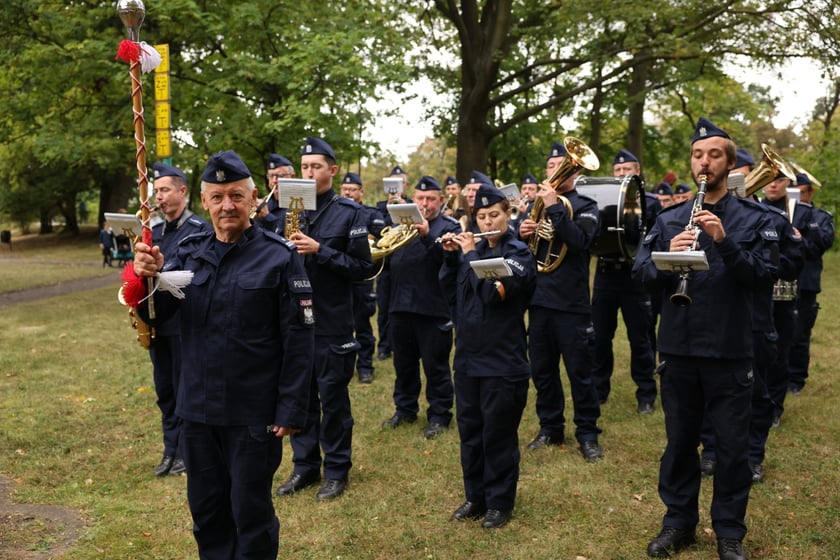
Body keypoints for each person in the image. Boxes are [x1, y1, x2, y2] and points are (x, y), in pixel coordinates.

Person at [132, 149, 315, 559]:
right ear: (204, 201)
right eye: (217, 197)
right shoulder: (188, 252)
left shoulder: (279, 256)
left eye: (236, 196)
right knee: (207, 513)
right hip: (197, 410)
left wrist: (290, 408)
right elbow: (156, 315)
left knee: (250, 514)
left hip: (252, 414)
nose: (227, 205)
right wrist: (148, 279)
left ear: (253, 198)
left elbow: (299, 340)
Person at [633, 118, 778, 560]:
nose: (704, 162)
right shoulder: (668, 218)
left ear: (729, 164)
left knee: (732, 449)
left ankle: (729, 531)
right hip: (679, 350)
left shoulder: (754, 218)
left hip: (730, 350)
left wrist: (724, 241)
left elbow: (764, 276)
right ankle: (678, 523)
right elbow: (642, 275)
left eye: (714, 155)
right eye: (698, 154)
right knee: (679, 445)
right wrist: (666, 258)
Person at [275, 137, 374, 500]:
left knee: (332, 400)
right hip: (295, 321)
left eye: (316, 166)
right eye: (304, 167)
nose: (309, 172)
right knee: (299, 398)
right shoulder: (289, 210)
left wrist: (321, 250)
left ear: (332, 170)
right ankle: (304, 466)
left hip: (331, 321)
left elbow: (363, 267)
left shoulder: (349, 212)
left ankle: (336, 469)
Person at [439, 184, 536, 529]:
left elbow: (492, 295)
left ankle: (499, 502)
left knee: (498, 434)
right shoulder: (475, 250)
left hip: (502, 361)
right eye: (481, 216)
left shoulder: (519, 254)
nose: (487, 221)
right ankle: (475, 496)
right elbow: (451, 294)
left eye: (494, 214)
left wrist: (468, 255)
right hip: (468, 358)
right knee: (470, 432)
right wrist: (451, 258)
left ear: (508, 215)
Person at [518, 140, 604, 462]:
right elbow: (529, 251)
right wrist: (523, 233)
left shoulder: (586, 206)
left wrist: (554, 207)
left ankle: (588, 433)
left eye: (561, 165)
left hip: (571, 303)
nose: (556, 170)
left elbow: (580, 242)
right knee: (542, 371)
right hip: (539, 301)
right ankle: (550, 427)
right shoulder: (536, 206)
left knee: (580, 372)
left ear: (574, 172)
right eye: (551, 166)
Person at [381, 175, 460, 439]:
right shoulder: (401, 226)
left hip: (433, 308)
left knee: (435, 366)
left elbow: (449, 263)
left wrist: (427, 236)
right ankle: (405, 409)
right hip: (400, 306)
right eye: (421, 198)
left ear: (441, 200)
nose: (425, 203)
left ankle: (439, 414)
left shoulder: (449, 228)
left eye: (431, 199)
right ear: (413, 199)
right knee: (403, 365)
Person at [147, 162, 211, 477]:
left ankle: (186, 451)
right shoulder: (156, 231)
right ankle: (170, 449)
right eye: (156, 191)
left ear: (182, 191)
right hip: (158, 323)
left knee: (185, 390)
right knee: (165, 390)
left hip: (184, 324)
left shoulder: (199, 229)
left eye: (164, 190)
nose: (159, 197)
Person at [590, 149, 657, 413]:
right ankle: (599, 390)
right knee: (600, 337)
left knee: (640, 339)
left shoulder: (650, 202)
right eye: (617, 170)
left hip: (634, 278)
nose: (621, 174)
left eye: (626, 169)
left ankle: (646, 394)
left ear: (637, 172)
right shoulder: (600, 202)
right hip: (605, 274)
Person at [788, 172, 835, 397]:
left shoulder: (820, 217)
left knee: (799, 333)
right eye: (792, 193)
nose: (797, 198)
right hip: (780, 279)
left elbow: (822, 245)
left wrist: (801, 237)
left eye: (801, 193)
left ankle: (796, 379)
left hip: (805, 281)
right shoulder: (781, 212)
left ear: (810, 192)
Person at [340, 171, 386, 384]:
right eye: (345, 189)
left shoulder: (370, 213)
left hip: (362, 277)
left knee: (362, 324)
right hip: (340, 274)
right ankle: (343, 366)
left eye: (352, 189)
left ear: (361, 192)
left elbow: (380, 238)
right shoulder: (335, 211)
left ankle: (365, 366)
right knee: (341, 324)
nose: (348, 192)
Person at [374, 165, 411, 362]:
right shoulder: (380, 207)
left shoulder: (412, 205)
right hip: (386, 265)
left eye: (400, 183)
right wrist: (390, 207)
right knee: (384, 306)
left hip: (406, 264)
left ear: (406, 185)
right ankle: (384, 346)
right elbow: (379, 231)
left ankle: (402, 344)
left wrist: (402, 206)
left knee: (405, 307)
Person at [255, 153, 296, 230]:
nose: (274, 181)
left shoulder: (299, 206)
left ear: (292, 177)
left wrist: (267, 216)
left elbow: (286, 234)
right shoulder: (265, 203)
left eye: (279, 176)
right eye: (271, 176)